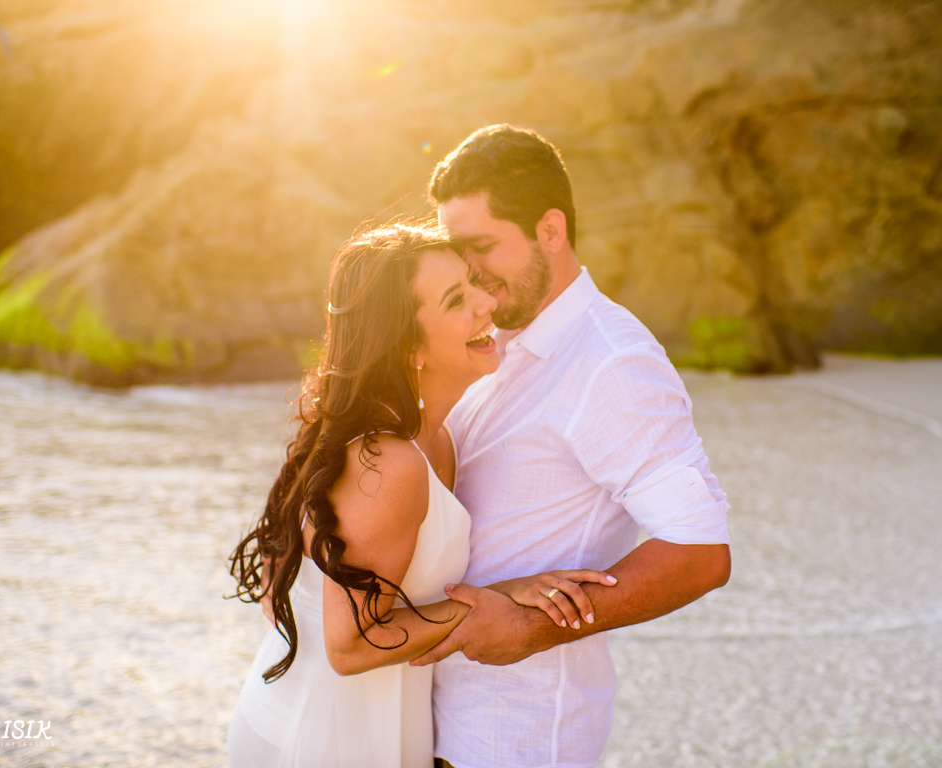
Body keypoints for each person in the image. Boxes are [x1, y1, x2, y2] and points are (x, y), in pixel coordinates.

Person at [226, 223, 616, 768]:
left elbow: (285, 583)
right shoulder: (390, 460)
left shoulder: (437, 437)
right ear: (410, 347)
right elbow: (350, 645)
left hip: (373, 721)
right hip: (326, 737)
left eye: (475, 283)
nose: (487, 302)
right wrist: (494, 607)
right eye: (458, 300)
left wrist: (504, 590)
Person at [410, 125, 733, 768]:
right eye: (456, 250)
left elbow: (701, 551)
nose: (468, 272)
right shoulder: (483, 340)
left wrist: (531, 628)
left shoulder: (614, 364)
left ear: (550, 231)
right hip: (429, 721)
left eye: (482, 247)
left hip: (520, 735)